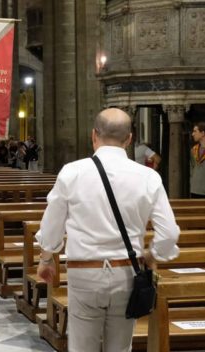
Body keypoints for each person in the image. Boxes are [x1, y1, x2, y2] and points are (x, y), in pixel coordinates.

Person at [35, 108, 180, 352]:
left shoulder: (73, 172)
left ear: (94, 135)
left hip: (85, 273)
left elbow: (52, 224)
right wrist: (152, 255)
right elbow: (169, 234)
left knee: (82, 347)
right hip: (126, 273)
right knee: (121, 348)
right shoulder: (148, 177)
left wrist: (46, 258)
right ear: (129, 138)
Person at [190, 122, 205, 198]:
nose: (193, 134)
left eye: (195, 131)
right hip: (195, 189)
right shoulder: (194, 150)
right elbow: (191, 168)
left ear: (202, 133)